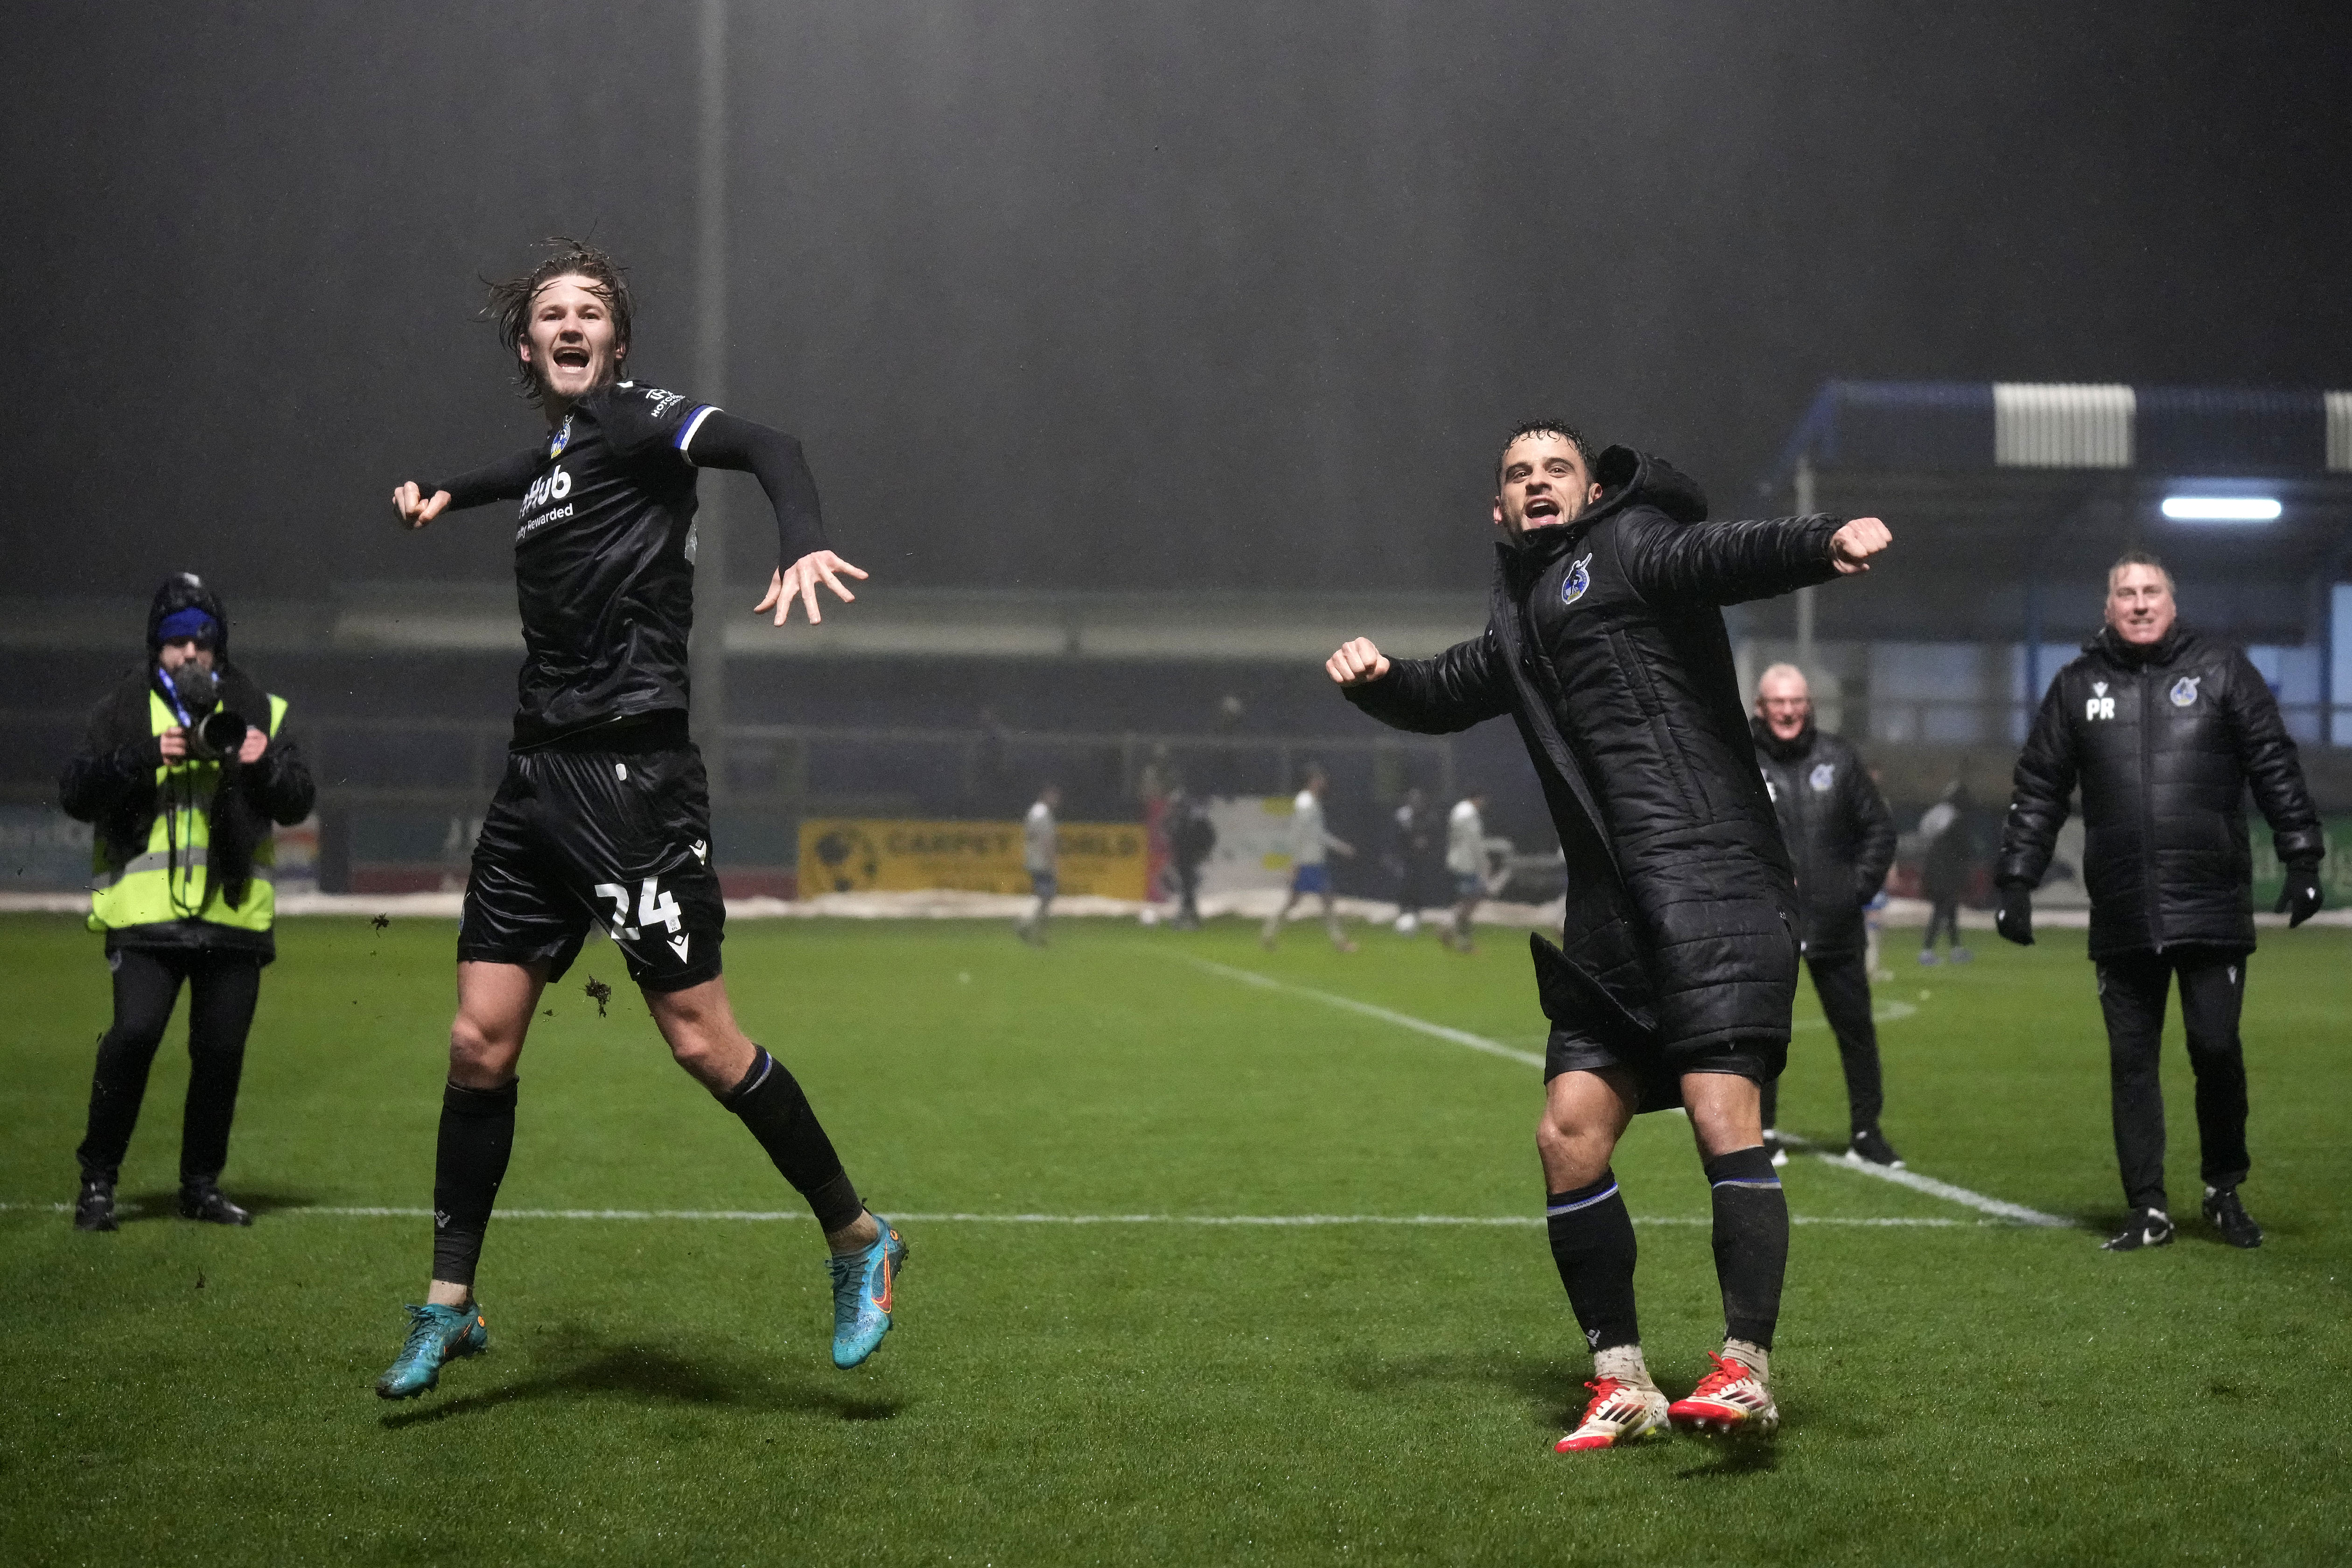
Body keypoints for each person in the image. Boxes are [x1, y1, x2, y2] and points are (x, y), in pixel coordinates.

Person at [378, 240, 903, 1398]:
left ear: (616, 342)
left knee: (703, 1043)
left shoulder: (633, 420)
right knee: (477, 1043)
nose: (571, 324)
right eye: (550, 314)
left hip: (632, 780)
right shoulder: (561, 452)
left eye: (591, 312)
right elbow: (523, 467)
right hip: (535, 782)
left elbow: (771, 446)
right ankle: (450, 1305)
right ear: (527, 348)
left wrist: (803, 535)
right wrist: (444, 492)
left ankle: (860, 1238)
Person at [1327, 420, 1890, 1450]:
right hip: (1610, 916)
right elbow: (1445, 692)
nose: (1538, 483)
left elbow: (1718, 556)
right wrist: (1379, 682)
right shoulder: (1519, 619)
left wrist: (1820, 541)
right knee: (1568, 1134)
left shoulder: (1630, 544)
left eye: (1557, 469)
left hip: (1710, 880)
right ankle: (1622, 1382)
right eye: (1518, 474)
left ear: (1589, 493)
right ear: (1498, 509)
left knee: (1724, 1114)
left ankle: (1746, 1369)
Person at [1995, 550, 2323, 1253]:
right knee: (2133, 1064)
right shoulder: (2077, 686)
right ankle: (2147, 1208)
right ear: (2108, 607)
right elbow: (2040, 787)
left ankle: (2223, 1190)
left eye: (2151, 591)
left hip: (2211, 903)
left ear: (2173, 604)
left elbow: (2273, 760)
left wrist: (2302, 857)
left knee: (2216, 1048)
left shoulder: (2223, 671)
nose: (2140, 603)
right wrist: (2017, 880)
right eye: (2126, 593)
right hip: (2122, 910)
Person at [58, 574, 316, 1232]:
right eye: (177, 642)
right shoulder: (120, 709)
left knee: (220, 1054)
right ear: (157, 648)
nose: (191, 652)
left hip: (232, 916)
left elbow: (297, 800)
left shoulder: (259, 710)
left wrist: (261, 761)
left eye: (203, 640)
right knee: (133, 1038)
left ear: (219, 648)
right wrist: (144, 757)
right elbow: (76, 792)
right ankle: (97, 1182)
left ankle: (200, 1187)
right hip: (144, 917)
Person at [1750, 663, 1901, 1169]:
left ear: (1809, 706)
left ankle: (1867, 1133)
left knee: (1857, 1032)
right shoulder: (1740, 761)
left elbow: (1879, 831)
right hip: (1770, 927)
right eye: (1778, 702)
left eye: (1796, 701)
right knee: (1762, 1036)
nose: (1788, 711)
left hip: (1836, 927)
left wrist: (1851, 891)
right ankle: (1760, 1134)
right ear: (1760, 708)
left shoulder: (1838, 758)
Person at [1260, 765, 1356, 951]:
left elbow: (1312, 833)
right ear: (1312, 781)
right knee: (1322, 900)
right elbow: (1302, 833)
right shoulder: (1306, 802)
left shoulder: (1312, 802)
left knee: (1299, 901)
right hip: (1308, 862)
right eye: (1319, 779)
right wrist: (1296, 862)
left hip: (1313, 860)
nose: (1323, 783)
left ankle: (1268, 935)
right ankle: (1340, 942)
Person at [1917, 783, 1973, 963]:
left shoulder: (1936, 816)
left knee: (1949, 912)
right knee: (1942, 911)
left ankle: (1955, 949)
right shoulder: (1954, 821)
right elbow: (1962, 851)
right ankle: (1927, 951)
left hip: (1937, 873)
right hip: (1946, 875)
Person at [1443, 791, 1491, 952]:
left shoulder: (1458, 810)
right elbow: (1475, 842)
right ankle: (1461, 939)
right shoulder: (1470, 814)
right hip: (1468, 864)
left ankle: (1449, 927)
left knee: (1465, 900)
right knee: (1470, 901)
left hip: (1456, 861)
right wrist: (1483, 863)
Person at [1385, 787, 1435, 935]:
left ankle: (1416, 916)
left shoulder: (1427, 816)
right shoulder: (1402, 816)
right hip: (1404, 858)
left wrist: (1424, 843)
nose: (1416, 802)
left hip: (1419, 859)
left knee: (1418, 887)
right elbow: (1396, 836)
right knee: (1404, 886)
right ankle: (1403, 914)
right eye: (1413, 799)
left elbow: (1431, 835)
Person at [1017, 784, 1061, 945]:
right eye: (1054, 796)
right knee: (1045, 896)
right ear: (1047, 795)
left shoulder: (1034, 812)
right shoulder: (1044, 815)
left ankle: (1032, 929)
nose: (1057, 800)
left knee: (1042, 895)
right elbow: (1047, 841)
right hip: (1042, 861)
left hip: (1033, 859)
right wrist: (1052, 862)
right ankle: (1026, 924)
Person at [1167, 787, 1216, 930]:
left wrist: (1202, 852)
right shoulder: (1183, 821)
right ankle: (1191, 916)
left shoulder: (1192, 821)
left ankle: (1187, 916)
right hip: (1185, 859)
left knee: (1188, 888)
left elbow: (1208, 837)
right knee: (1187, 888)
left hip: (1190, 858)